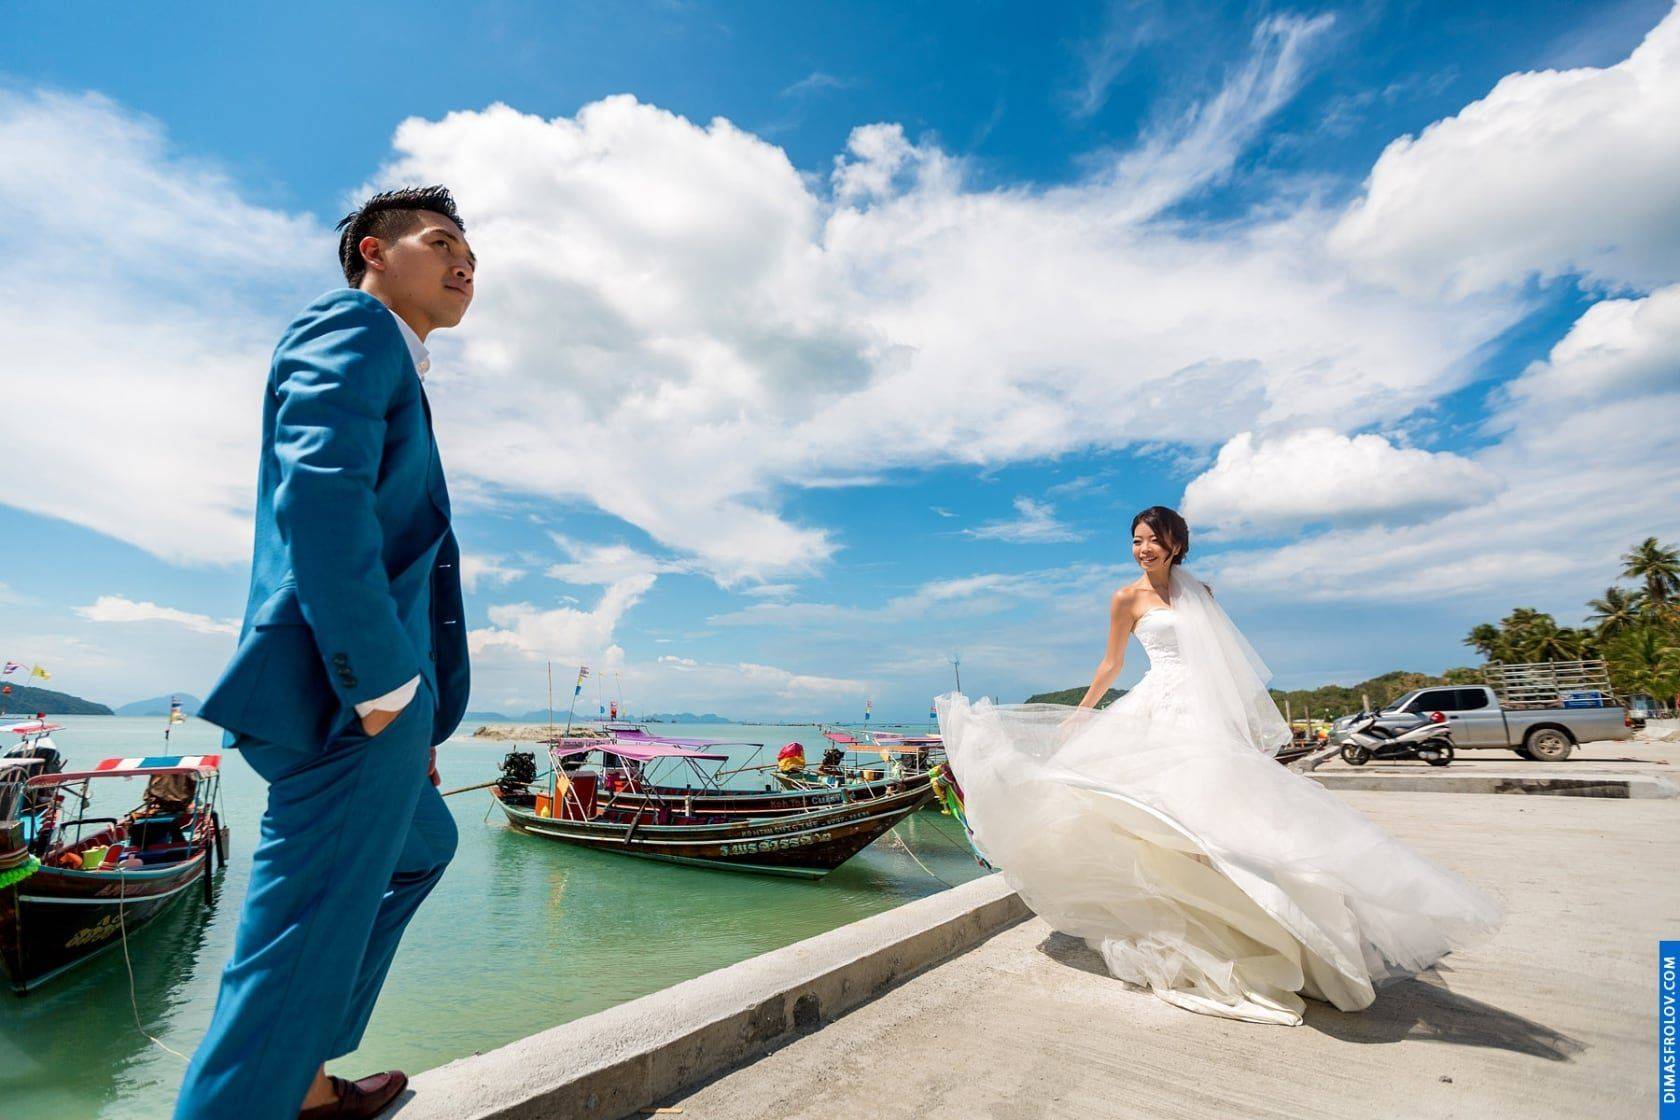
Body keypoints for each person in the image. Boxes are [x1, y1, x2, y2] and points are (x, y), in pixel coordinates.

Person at [936, 505, 1502, 1026]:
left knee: (1217, 822)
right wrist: (1084, 712)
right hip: (1153, 708)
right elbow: (1111, 664)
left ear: (1176, 545)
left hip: (1200, 715)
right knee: (1142, 815)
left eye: (1152, 540)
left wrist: (1236, 725)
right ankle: (1180, 916)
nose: (1142, 550)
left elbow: (1224, 666)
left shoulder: (1201, 593)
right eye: (1135, 541)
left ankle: (1253, 925)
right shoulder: (1126, 598)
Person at [178, 187, 475, 1119]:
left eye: (471, 253)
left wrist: (415, 714)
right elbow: (319, 493)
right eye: (441, 242)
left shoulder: (399, 362)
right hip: (345, 694)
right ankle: (266, 1085)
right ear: (373, 253)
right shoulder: (353, 325)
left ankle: (302, 1080)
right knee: (290, 941)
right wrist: (381, 687)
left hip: (385, 708)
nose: (464, 262)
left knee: (425, 848)